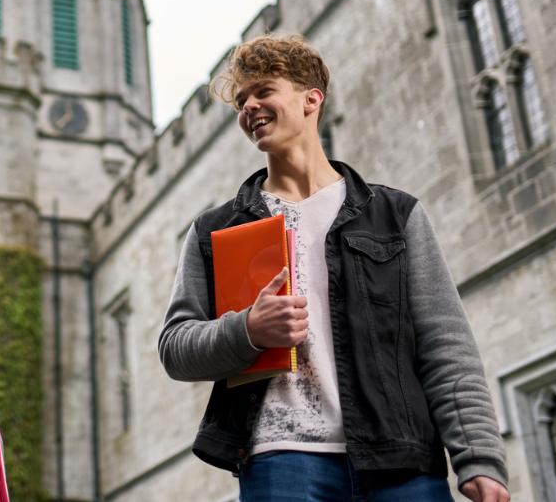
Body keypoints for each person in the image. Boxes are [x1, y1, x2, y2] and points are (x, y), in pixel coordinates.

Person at [158, 33, 510, 502]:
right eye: (241, 100)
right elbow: (175, 346)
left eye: (263, 91)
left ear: (311, 98)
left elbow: (446, 345)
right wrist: (248, 331)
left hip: (400, 459)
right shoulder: (215, 229)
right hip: (280, 461)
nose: (249, 107)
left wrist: (479, 457)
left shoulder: (395, 214)